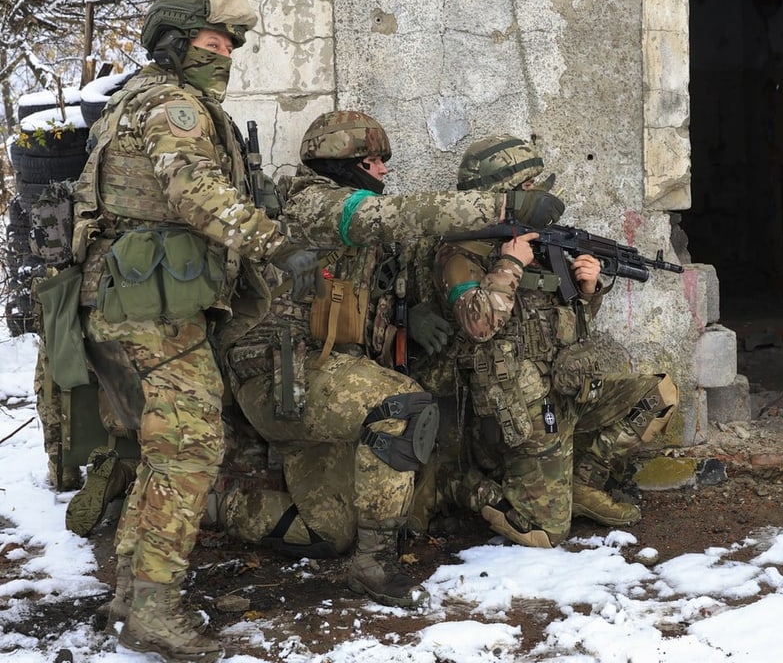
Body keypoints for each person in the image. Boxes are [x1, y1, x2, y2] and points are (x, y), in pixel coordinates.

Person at [213, 110, 565, 608]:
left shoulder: (355, 229)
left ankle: (214, 506)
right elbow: (397, 216)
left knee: (332, 531)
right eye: (373, 161)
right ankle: (373, 564)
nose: (383, 170)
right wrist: (506, 205)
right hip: (282, 375)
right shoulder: (316, 204)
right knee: (404, 407)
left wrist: (413, 315)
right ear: (343, 164)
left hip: (325, 376)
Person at [68, 0, 316, 662]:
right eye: (213, 44)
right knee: (191, 447)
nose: (226, 56)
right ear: (177, 43)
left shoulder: (135, 99)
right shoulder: (174, 107)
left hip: (139, 300)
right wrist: (274, 243)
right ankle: (151, 608)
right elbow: (193, 192)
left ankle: (132, 593)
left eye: (232, 47)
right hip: (151, 309)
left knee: (167, 449)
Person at [433, 134, 684, 548]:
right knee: (545, 534)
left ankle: (583, 485)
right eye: (528, 188)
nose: (540, 197)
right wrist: (511, 262)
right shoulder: (462, 253)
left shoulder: (541, 242)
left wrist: (587, 292)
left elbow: (565, 328)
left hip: (565, 392)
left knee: (659, 394)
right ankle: (458, 484)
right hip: (517, 410)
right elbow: (478, 325)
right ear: (501, 194)